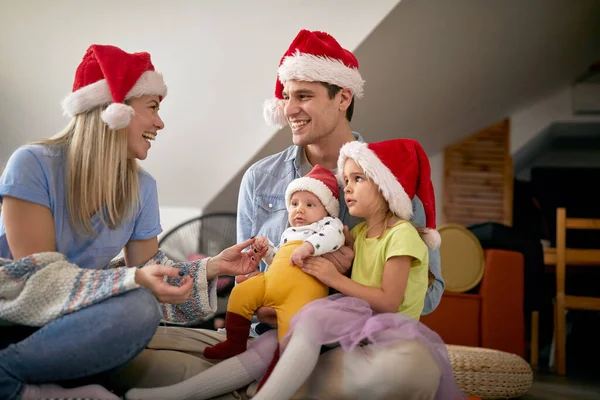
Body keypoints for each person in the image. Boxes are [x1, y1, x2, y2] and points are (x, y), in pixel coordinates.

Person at [125, 30, 449, 400]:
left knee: (412, 369)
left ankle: (268, 385)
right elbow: (249, 276)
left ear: (343, 97)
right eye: (286, 97)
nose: (289, 109)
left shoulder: (390, 179)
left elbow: (430, 291)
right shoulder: (260, 178)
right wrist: (263, 302)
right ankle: (270, 382)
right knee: (134, 346)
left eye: (304, 96)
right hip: (266, 337)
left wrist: (333, 294)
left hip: (357, 348)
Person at [0, 44, 265, 400]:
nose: (160, 122)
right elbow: (42, 282)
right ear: (115, 110)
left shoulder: (142, 188)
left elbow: (150, 273)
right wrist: (131, 277)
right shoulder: (33, 163)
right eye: (153, 108)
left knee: (139, 305)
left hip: (72, 324)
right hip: (15, 313)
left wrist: (215, 267)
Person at [252, 138, 465, 400]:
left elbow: (388, 301)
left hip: (391, 337)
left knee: (311, 322)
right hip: (362, 333)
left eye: (357, 179)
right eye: (346, 180)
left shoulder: (402, 235)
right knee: (300, 334)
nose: (347, 189)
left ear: (386, 186)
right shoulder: (358, 234)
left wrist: (334, 278)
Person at [203, 165, 345, 360]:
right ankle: (234, 342)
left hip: (300, 292)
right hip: (271, 283)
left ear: (327, 210)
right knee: (241, 292)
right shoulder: (289, 232)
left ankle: (281, 365)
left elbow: (334, 238)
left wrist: (308, 248)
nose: (299, 210)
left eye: (310, 205)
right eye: (294, 204)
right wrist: (266, 249)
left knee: (292, 328)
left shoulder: (328, 224)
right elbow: (278, 260)